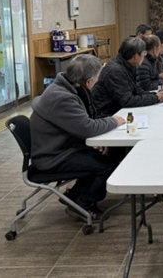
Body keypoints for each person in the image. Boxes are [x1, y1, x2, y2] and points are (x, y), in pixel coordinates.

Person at [30, 54, 126, 221]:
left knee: (110, 154)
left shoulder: (65, 87)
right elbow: (88, 128)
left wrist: (95, 141)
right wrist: (113, 121)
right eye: (97, 77)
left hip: (60, 147)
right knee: (106, 166)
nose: (98, 81)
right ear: (88, 82)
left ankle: (74, 195)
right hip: (52, 156)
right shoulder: (63, 98)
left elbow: (80, 125)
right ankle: (83, 205)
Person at [93, 37, 163, 117]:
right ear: (136, 56)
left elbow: (136, 90)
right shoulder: (115, 70)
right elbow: (126, 100)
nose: (144, 56)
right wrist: (155, 98)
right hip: (107, 114)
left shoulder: (128, 65)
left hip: (117, 110)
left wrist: (155, 95)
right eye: (144, 53)